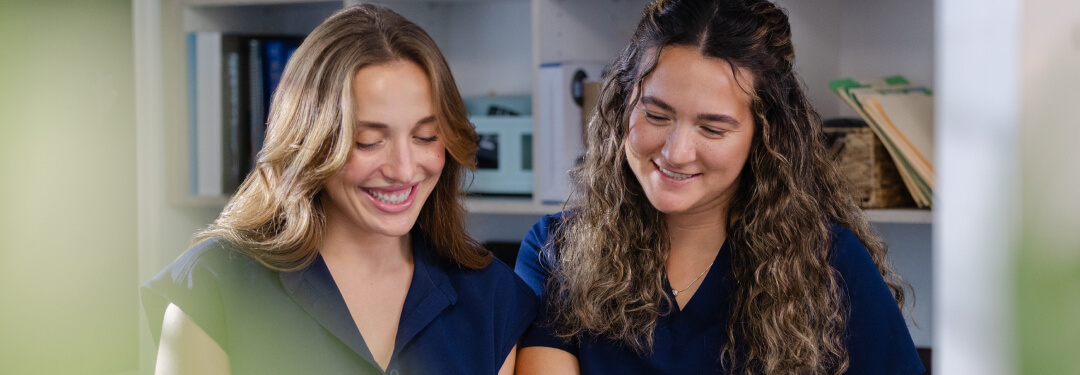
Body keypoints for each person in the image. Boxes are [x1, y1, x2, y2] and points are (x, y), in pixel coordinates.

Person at [514, 0, 924, 374]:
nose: (676, 153)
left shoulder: (832, 265)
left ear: (765, 136)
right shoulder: (556, 252)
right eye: (655, 115)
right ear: (622, 106)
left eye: (712, 128)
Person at [141, 5, 536, 374]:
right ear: (309, 143)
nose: (403, 169)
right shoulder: (216, 285)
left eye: (426, 136)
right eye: (368, 141)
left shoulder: (493, 296)